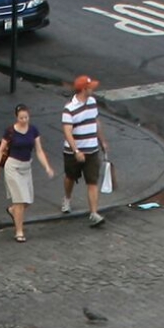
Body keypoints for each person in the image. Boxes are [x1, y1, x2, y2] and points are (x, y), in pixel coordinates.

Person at [58, 75, 107, 226]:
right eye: (91, 87)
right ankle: (67, 198)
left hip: (92, 149)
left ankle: (94, 213)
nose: (93, 89)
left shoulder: (92, 102)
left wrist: (102, 141)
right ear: (84, 89)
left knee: (92, 181)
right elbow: (67, 131)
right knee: (70, 177)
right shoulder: (69, 108)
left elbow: (95, 122)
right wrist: (76, 150)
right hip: (74, 152)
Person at [0, 106, 40, 242]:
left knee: (27, 201)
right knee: (19, 201)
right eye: (21, 117)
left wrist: (46, 166)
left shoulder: (33, 130)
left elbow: (39, 150)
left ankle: (12, 211)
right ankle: (19, 231)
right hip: (13, 167)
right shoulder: (10, 131)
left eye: (26, 117)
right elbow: (1, 150)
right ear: (17, 117)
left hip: (26, 167)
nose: (24, 120)